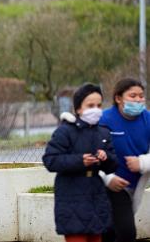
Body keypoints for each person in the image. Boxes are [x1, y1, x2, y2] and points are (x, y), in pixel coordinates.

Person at [43, 83, 118, 242]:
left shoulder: (103, 132)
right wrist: (80, 161)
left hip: (96, 195)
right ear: (78, 109)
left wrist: (106, 157)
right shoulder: (65, 131)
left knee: (96, 237)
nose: (96, 109)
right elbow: (50, 160)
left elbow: (113, 164)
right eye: (90, 105)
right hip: (71, 196)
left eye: (99, 105)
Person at [97, 78, 150, 242]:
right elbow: (91, 152)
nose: (138, 100)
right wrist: (108, 178)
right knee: (126, 233)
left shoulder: (148, 119)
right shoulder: (104, 120)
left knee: (110, 231)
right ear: (118, 98)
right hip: (110, 186)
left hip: (134, 186)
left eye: (141, 96)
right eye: (133, 96)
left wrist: (141, 163)